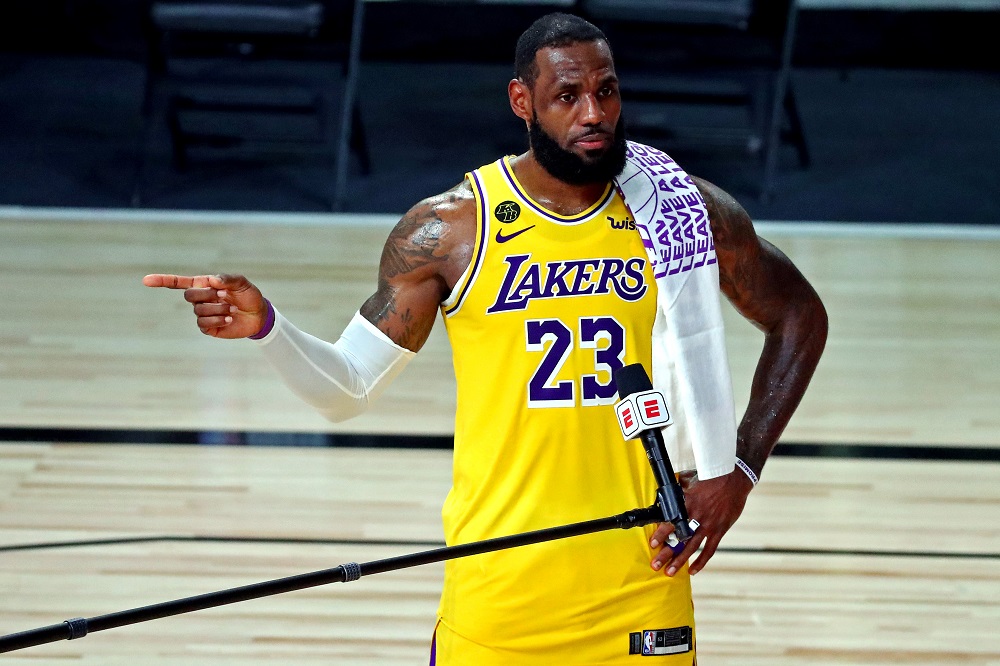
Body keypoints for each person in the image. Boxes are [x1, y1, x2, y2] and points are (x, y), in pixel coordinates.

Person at [144, 13, 827, 665]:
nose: (593, 113)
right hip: (499, 592)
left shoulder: (677, 211)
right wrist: (269, 327)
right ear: (521, 101)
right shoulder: (450, 231)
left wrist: (739, 468)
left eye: (606, 90)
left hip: (643, 582)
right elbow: (346, 389)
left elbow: (799, 314)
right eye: (567, 95)